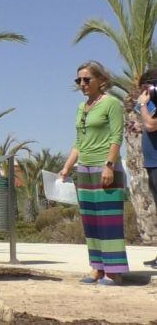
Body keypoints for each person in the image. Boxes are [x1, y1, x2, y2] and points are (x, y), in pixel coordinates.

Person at [60, 61, 128, 285]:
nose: (82, 84)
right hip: (85, 169)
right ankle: (97, 268)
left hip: (105, 167)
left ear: (101, 80)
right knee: (90, 221)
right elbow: (79, 142)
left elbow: (116, 137)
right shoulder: (82, 108)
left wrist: (109, 164)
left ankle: (114, 270)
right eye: (78, 80)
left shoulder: (112, 104)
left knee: (109, 220)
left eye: (87, 79)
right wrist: (67, 168)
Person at [136, 68, 157, 270]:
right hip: (151, 163)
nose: (143, 93)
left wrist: (143, 104)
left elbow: (151, 125)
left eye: (145, 88)